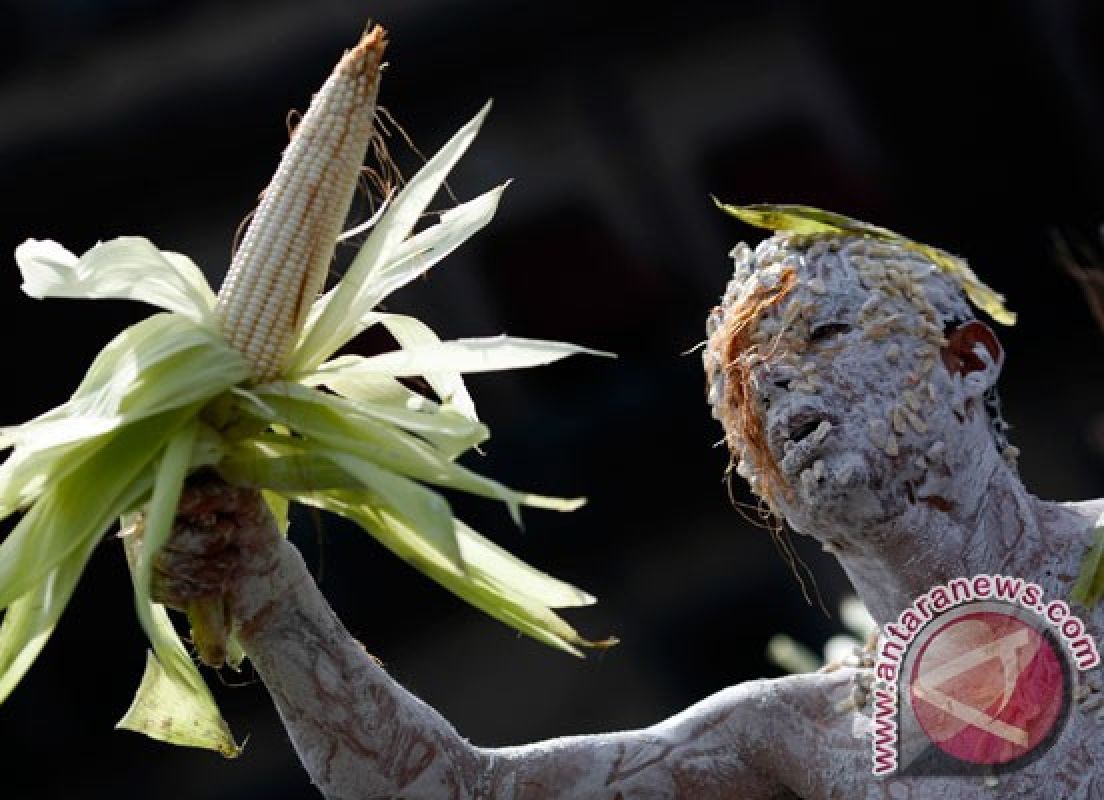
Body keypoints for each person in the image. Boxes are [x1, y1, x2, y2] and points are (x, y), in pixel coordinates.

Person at [155, 221, 1104, 798]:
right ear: (756, 481)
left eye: (823, 334)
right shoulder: (802, 733)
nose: (786, 394)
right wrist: (267, 595)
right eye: (747, 393)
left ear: (969, 358)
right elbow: (442, 792)